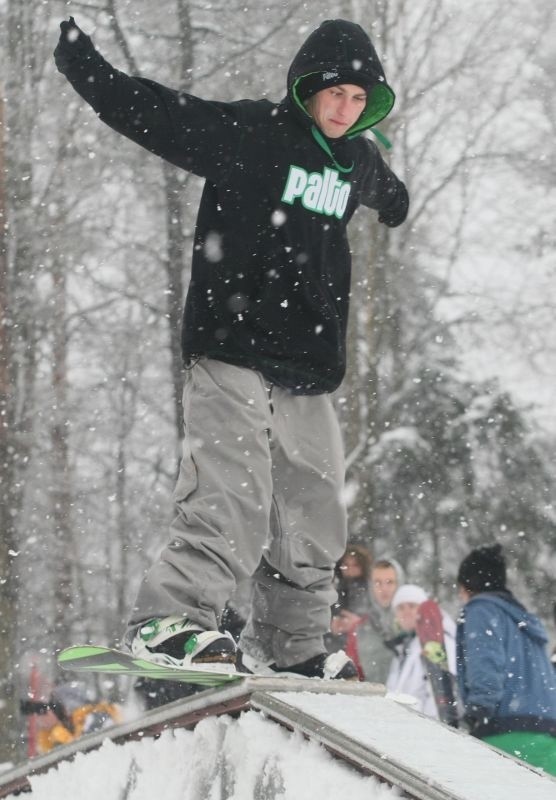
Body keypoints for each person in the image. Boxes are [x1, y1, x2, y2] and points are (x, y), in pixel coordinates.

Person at [54, 17, 409, 680]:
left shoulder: (355, 160)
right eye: (334, 95)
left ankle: (295, 640)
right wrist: (89, 70)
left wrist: (396, 202)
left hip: (307, 367)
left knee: (314, 504)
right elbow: (158, 115)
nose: (343, 110)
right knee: (232, 487)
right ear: (307, 89)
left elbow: (384, 188)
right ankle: (174, 615)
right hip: (233, 343)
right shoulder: (255, 134)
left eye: (359, 101)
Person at [456, 543, 556, 776]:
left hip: (508, 733)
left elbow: (486, 665)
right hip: (548, 734)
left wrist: (476, 714)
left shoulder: (481, 610)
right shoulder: (524, 621)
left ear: (468, 586)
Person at [385, 584, 456, 718]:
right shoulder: (401, 650)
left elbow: (443, 693)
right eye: (400, 608)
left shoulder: (439, 642)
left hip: (425, 730)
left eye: (412, 606)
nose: (406, 612)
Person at [331, 556, 404, 682]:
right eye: (378, 582)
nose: (384, 589)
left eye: (390, 582)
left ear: (400, 583)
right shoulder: (360, 628)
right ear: (370, 586)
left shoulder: (415, 622)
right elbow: (353, 677)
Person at [21, 683, 121, 753]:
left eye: (43, 712)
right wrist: (48, 732)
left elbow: (85, 754)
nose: (40, 719)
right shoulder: (66, 729)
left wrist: (57, 731)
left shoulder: (96, 719)